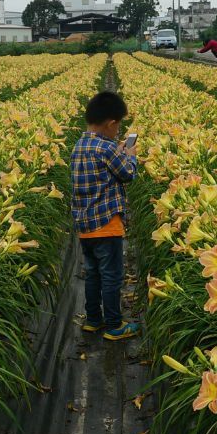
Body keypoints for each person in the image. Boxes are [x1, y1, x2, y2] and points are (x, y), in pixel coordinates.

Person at [71, 90, 141, 341]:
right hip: (108, 225)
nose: (119, 132)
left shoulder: (80, 146)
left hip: (85, 226)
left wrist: (117, 150)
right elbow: (127, 174)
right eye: (118, 126)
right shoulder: (108, 148)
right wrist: (130, 156)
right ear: (111, 123)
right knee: (112, 276)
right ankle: (114, 324)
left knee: (93, 273)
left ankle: (92, 320)